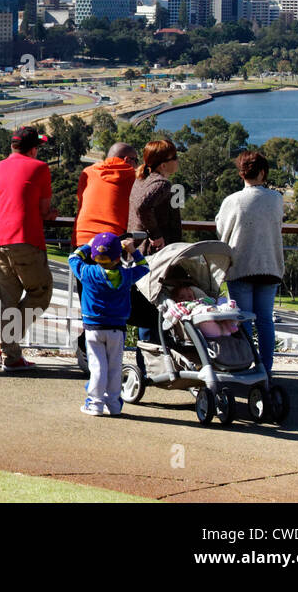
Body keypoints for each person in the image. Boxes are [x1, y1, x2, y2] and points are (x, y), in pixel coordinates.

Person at [0, 126, 55, 372]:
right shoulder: (39, 168)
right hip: (24, 238)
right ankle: (6, 339)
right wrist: (50, 215)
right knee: (41, 293)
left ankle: (12, 357)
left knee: (8, 299)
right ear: (34, 148)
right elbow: (43, 210)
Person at [216, 150, 285, 374]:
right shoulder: (276, 199)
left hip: (241, 266)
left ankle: (243, 365)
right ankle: (266, 367)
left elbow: (221, 229)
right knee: (265, 320)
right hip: (270, 266)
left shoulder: (232, 201)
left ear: (241, 174)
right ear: (263, 172)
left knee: (243, 320)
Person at [69, 232, 149, 416]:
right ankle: (113, 404)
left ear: (95, 256)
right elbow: (144, 267)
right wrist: (132, 250)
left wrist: (88, 246)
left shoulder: (87, 272)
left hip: (94, 328)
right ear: (117, 256)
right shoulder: (126, 276)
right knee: (114, 366)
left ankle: (95, 403)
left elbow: (73, 257)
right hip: (117, 329)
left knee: (97, 366)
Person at [127, 139, 184, 345]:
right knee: (153, 310)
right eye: (174, 158)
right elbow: (143, 207)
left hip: (138, 250)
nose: (178, 161)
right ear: (163, 164)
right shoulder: (161, 184)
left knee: (146, 308)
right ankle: (153, 362)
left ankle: (148, 362)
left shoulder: (141, 180)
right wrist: (156, 233)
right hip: (154, 253)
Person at [73, 142, 138, 249]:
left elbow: (80, 200)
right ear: (127, 160)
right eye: (136, 161)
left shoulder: (87, 172)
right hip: (110, 241)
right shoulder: (133, 177)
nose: (137, 165)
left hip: (80, 238)